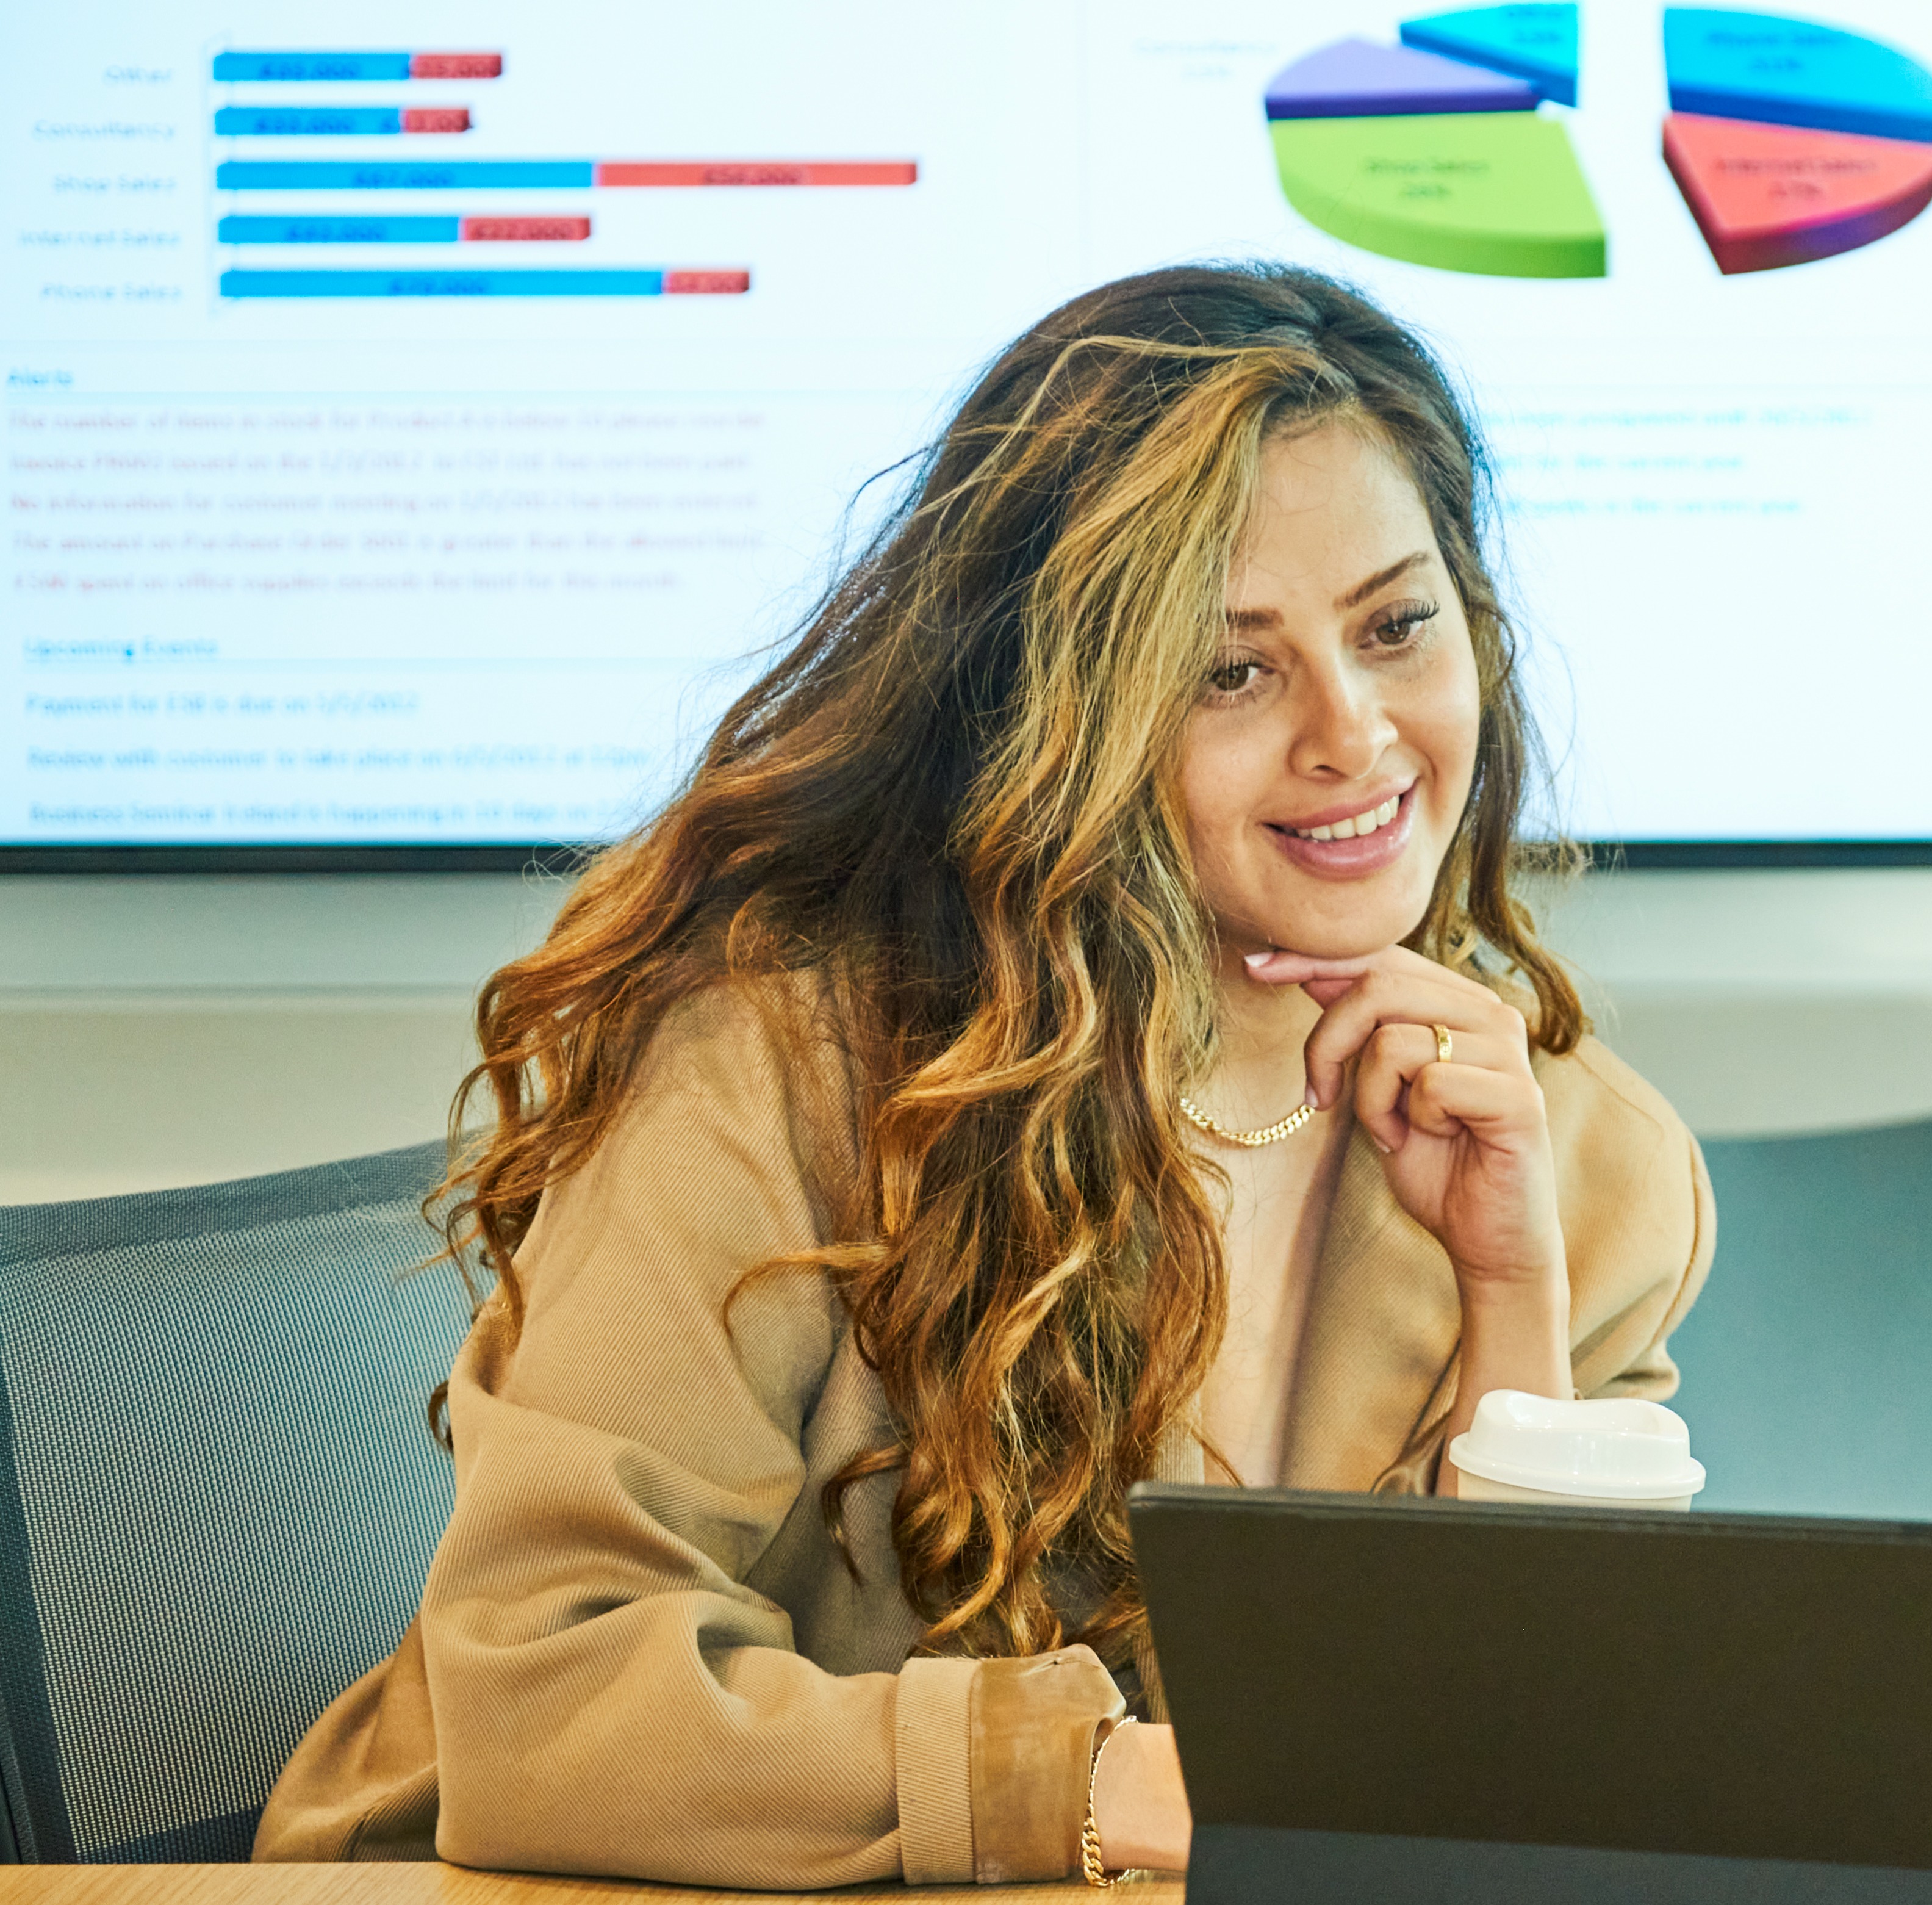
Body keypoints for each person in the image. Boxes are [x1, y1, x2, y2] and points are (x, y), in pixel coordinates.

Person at [254, 263, 1714, 1887]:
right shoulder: (784, 1068)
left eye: (1396, 624)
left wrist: (1511, 1291)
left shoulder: (1581, 1159)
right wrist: (1081, 1779)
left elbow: (1506, 1789)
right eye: (1232, 669)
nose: (1356, 733)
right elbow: (549, 1691)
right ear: (1061, 716)